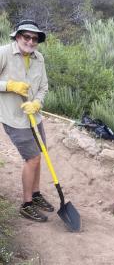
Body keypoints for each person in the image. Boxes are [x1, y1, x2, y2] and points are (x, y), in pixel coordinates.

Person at [0, 20, 54, 222]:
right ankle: (27, 203)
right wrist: (9, 85)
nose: (31, 41)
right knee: (32, 158)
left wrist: (37, 103)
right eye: (27, 37)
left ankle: (37, 193)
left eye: (35, 38)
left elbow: (44, 87)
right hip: (13, 118)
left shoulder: (38, 58)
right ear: (17, 36)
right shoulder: (4, 53)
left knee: (39, 155)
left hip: (33, 115)